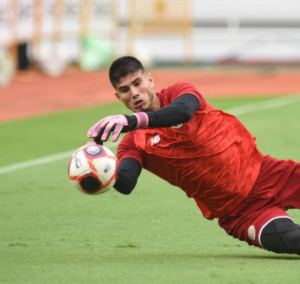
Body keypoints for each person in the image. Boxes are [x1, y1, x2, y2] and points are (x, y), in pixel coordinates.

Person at [87, 56, 300, 255]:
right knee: (292, 239)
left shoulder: (179, 92)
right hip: (240, 213)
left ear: (150, 80)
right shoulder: (133, 143)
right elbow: (126, 183)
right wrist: (98, 167)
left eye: (137, 83)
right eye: (124, 89)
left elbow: (183, 112)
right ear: (118, 96)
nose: (133, 93)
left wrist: (132, 121)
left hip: (269, 174)